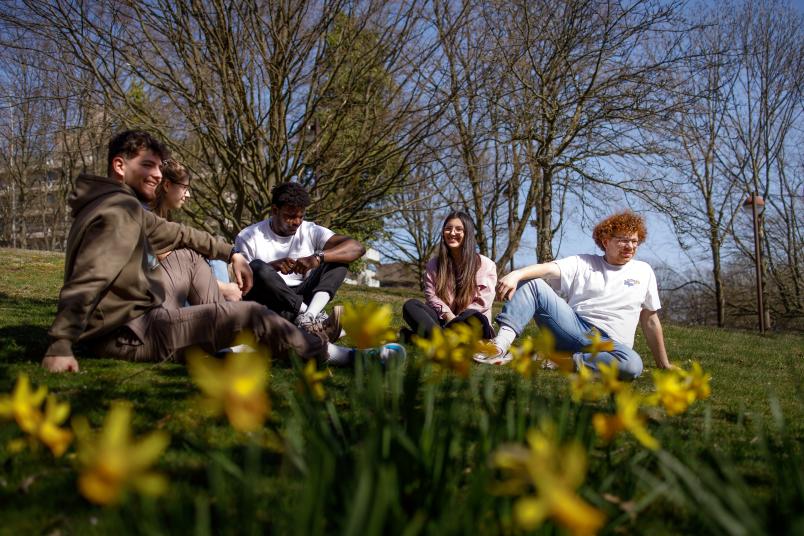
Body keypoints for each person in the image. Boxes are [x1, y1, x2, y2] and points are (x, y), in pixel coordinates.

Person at [42, 130, 399, 373]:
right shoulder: (117, 213)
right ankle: (342, 357)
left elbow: (180, 234)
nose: (156, 175)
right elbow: (89, 276)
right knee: (251, 315)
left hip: (142, 316)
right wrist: (60, 343)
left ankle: (222, 341)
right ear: (120, 166)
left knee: (187, 256)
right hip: (129, 334)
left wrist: (232, 254)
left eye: (159, 167)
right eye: (147, 166)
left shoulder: (122, 205)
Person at [474, 211, 672, 380]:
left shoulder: (644, 271)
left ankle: (556, 361)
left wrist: (664, 364)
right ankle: (499, 346)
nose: (630, 246)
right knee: (532, 283)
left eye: (634, 241)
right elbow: (548, 269)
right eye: (623, 240)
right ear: (606, 241)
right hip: (574, 330)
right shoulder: (583, 262)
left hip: (611, 347)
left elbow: (650, 320)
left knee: (632, 365)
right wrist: (516, 274)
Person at [236, 182, 365, 340]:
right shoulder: (249, 235)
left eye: (301, 216)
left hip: (304, 295)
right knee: (256, 267)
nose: (297, 222)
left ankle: (309, 316)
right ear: (275, 210)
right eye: (290, 216)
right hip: (271, 303)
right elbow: (242, 284)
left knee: (338, 257)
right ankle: (314, 318)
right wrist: (271, 267)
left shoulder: (310, 230)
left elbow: (357, 248)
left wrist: (317, 258)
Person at [151, 159, 242, 301]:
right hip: (162, 294)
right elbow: (168, 260)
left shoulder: (164, 217)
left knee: (214, 253)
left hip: (174, 287)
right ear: (167, 185)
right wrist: (222, 288)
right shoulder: (150, 218)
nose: (188, 195)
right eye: (185, 188)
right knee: (211, 258)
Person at [401, 211, 497, 341]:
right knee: (411, 305)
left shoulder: (486, 265)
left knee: (472, 315)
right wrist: (448, 316)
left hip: (472, 325)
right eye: (448, 229)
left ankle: (423, 338)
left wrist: (458, 320)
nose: (452, 233)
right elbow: (431, 295)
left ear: (467, 234)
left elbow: (482, 304)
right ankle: (445, 342)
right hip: (444, 321)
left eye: (459, 229)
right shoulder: (434, 264)